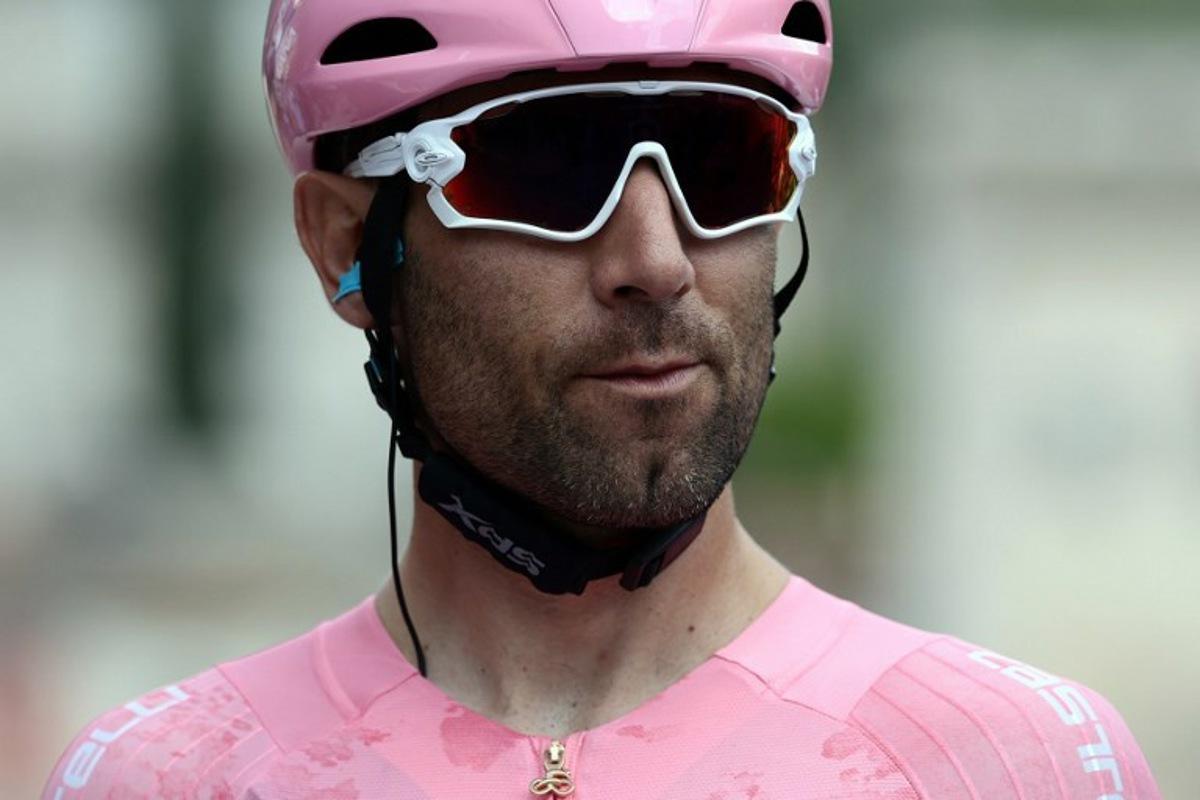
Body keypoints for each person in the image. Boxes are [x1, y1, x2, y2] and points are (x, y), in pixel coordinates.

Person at [43, 1, 1160, 798]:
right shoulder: (159, 777)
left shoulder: (1028, 765)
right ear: (350, 246)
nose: (656, 258)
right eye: (545, 170)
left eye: (727, 157)